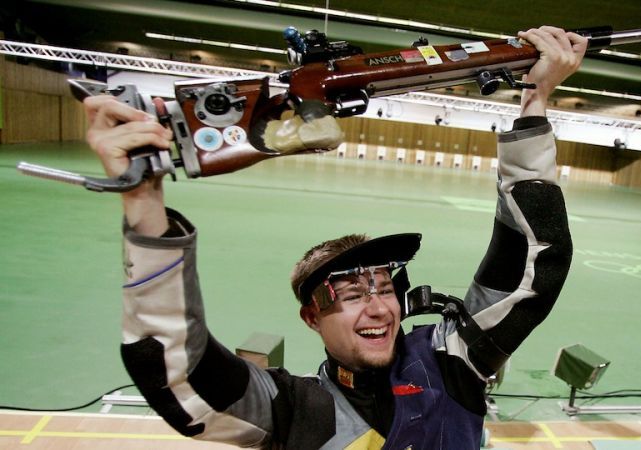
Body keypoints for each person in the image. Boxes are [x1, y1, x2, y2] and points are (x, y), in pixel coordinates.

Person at [85, 26, 587, 449]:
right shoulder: (291, 409)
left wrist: (534, 100)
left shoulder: (451, 358)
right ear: (311, 317)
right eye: (349, 294)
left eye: (384, 288)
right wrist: (143, 198)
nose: (379, 308)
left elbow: (534, 262)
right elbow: (177, 374)